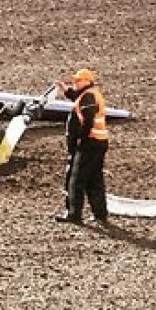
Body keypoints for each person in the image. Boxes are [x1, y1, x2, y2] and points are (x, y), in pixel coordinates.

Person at [54, 68, 109, 224]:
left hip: (90, 144)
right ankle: (100, 214)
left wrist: (81, 140)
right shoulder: (89, 94)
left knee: (76, 179)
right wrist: (66, 91)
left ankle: (74, 214)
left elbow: (88, 119)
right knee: (94, 179)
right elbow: (78, 99)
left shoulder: (88, 96)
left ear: (87, 82)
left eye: (78, 81)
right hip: (98, 142)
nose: (75, 83)